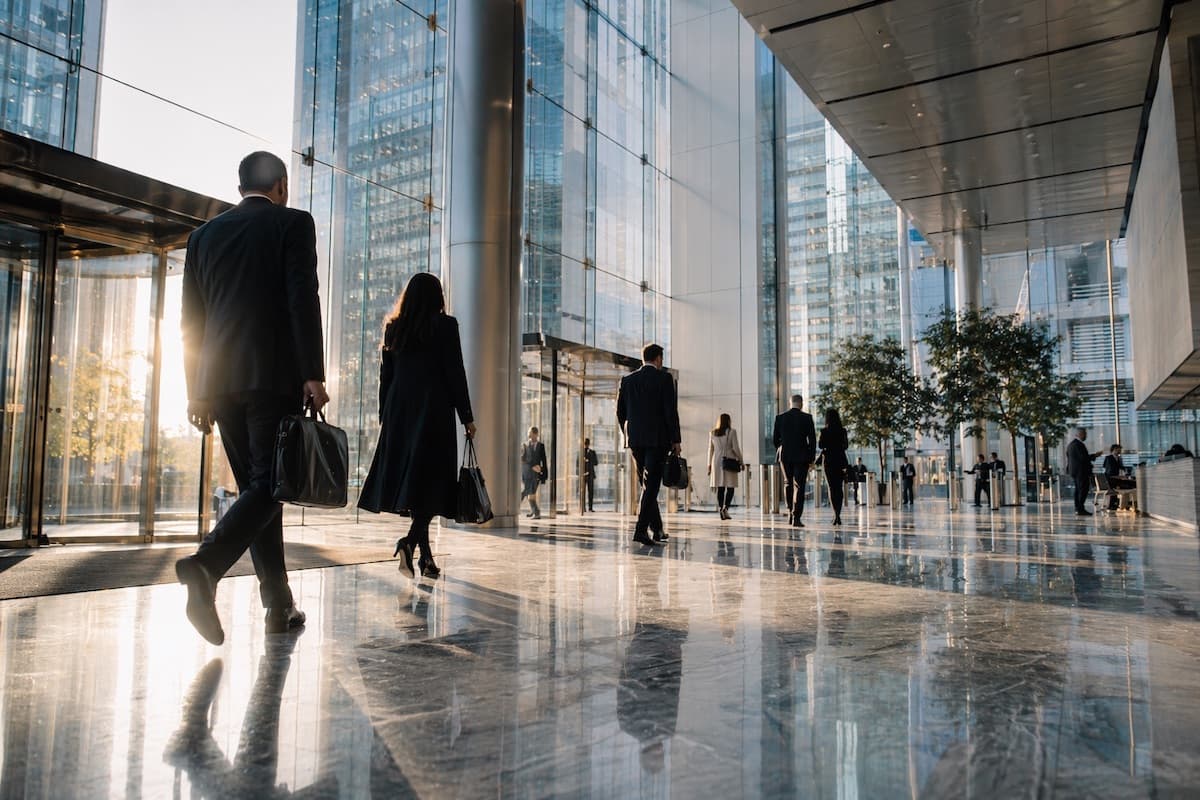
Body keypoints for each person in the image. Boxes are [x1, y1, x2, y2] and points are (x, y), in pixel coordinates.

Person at [177, 151, 329, 646]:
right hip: (272, 378)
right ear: (281, 185)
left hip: (218, 384)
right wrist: (312, 373)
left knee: (259, 491)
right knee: (270, 486)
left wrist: (195, 389)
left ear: (240, 184)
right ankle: (205, 566)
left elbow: (190, 324)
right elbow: (301, 297)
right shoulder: (293, 224)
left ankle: (278, 605)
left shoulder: (203, 237)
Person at [358, 272, 475, 579]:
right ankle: (409, 543)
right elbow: (455, 373)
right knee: (433, 484)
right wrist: (467, 416)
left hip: (400, 414)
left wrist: (386, 416)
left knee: (418, 486)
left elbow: (387, 378)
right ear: (438, 297)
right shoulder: (445, 326)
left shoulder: (394, 328)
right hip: (433, 410)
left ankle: (426, 560)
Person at [616, 343, 682, 546]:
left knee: (647, 485)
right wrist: (676, 440)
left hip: (636, 441)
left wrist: (628, 434)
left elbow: (620, 412)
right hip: (657, 440)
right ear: (658, 359)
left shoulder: (627, 380)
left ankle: (657, 528)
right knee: (651, 486)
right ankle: (640, 530)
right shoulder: (664, 379)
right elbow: (670, 412)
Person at [773, 394, 817, 527]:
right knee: (799, 486)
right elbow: (812, 440)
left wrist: (783, 446)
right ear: (801, 403)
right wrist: (811, 458)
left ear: (790, 403)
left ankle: (790, 512)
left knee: (788, 484)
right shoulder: (807, 418)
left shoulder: (780, 418)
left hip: (785, 456)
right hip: (802, 456)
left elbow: (775, 439)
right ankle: (796, 516)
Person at [708, 413, 744, 520]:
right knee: (730, 486)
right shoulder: (732, 432)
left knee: (720, 486)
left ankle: (720, 508)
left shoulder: (713, 433)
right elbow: (735, 448)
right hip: (729, 460)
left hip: (717, 461)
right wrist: (741, 461)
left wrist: (709, 464)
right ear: (728, 421)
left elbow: (710, 450)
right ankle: (725, 508)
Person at [818, 408, 849, 526]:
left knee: (831, 488)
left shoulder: (824, 431)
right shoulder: (843, 431)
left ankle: (835, 515)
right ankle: (838, 515)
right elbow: (846, 446)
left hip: (829, 462)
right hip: (840, 461)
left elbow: (821, 445)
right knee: (839, 487)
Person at [1066, 426, 1101, 516]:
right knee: (1082, 490)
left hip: (1075, 471)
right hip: (1081, 472)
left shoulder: (1071, 444)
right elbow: (1083, 458)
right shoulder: (1078, 445)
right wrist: (1094, 456)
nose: (1086, 436)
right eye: (1085, 434)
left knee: (1078, 490)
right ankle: (1080, 508)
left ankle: (1078, 508)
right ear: (1080, 434)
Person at [520, 427, 548, 519]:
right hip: (526, 473)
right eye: (529, 433)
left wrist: (542, 471)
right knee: (529, 493)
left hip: (536, 474)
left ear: (536, 434)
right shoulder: (524, 445)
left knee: (528, 493)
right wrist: (532, 466)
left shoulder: (541, 446)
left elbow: (544, 460)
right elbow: (522, 459)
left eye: (531, 433)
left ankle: (535, 512)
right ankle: (535, 511)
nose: (529, 435)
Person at [581, 438, 599, 512]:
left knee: (590, 491)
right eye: (585, 443)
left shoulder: (592, 452)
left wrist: (589, 460)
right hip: (583, 474)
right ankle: (583, 507)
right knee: (583, 491)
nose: (586, 445)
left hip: (590, 474)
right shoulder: (580, 452)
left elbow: (596, 463)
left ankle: (590, 507)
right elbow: (578, 463)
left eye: (587, 443)